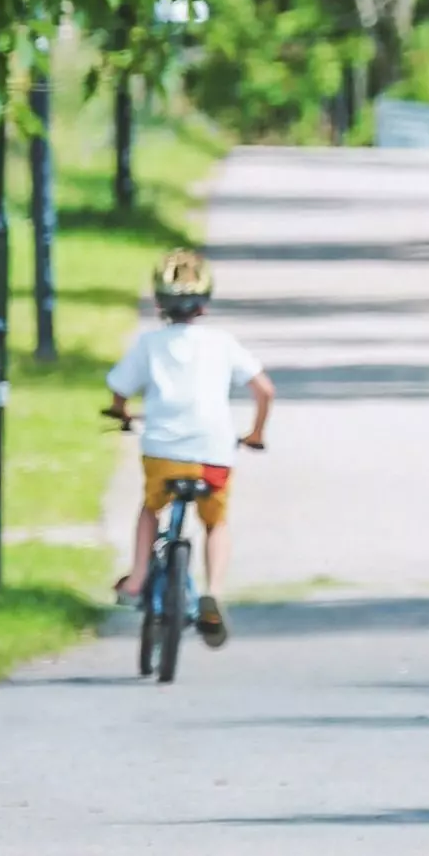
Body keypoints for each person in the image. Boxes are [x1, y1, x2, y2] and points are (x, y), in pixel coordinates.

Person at [106, 249, 274, 648]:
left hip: (163, 450)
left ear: (158, 301)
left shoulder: (150, 344)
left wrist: (121, 413)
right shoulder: (222, 343)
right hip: (213, 453)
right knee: (215, 522)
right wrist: (255, 433)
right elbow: (265, 390)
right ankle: (212, 591)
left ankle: (138, 575)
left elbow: (119, 388)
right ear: (205, 302)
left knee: (151, 508)